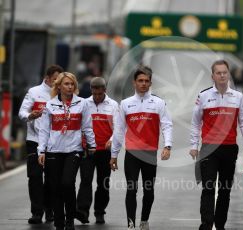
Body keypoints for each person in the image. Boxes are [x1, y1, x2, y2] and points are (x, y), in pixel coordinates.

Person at [189, 60, 243, 230]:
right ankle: (206, 224)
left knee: (224, 190)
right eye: (218, 73)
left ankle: (220, 224)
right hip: (209, 149)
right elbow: (195, 122)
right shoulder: (203, 96)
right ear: (213, 76)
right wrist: (194, 145)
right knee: (208, 188)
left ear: (229, 74)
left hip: (229, 148)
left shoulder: (238, 97)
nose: (222, 75)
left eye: (224, 72)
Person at [110, 66, 173, 230]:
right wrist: (114, 155)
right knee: (131, 190)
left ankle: (144, 221)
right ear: (134, 83)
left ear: (150, 83)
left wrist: (167, 146)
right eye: (140, 81)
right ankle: (130, 223)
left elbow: (167, 125)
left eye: (146, 81)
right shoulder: (125, 104)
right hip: (132, 153)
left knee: (149, 191)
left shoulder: (159, 103)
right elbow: (119, 130)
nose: (143, 84)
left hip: (150, 153)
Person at [37, 72, 96, 230]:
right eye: (66, 84)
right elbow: (44, 130)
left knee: (67, 183)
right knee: (55, 187)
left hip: (73, 150)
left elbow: (87, 127)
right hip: (53, 151)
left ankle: (69, 219)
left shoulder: (82, 103)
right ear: (59, 86)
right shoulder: (50, 105)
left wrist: (92, 145)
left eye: (72, 84)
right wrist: (41, 151)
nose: (70, 87)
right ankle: (59, 222)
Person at [18, 64, 64, 224]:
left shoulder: (62, 95)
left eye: (60, 80)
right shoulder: (34, 92)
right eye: (55, 80)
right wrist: (30, 115)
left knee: (52, 179)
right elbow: (21, 113)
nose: (57, 83)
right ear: (47, 78)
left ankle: (49, 209)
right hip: (34, 140)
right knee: (35, 177)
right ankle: (37, 212)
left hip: (53, 143)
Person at [75, 77, 119, 224]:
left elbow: (118, 128)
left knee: (103, 183)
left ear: (105, 91)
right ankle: (82, 212)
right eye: (95, 94)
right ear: (91, 90)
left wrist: (111, 141)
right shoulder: (84, 104)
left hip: (105, 151)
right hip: (88, 150)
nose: (97, 97)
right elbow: (79, 125)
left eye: (100, 94)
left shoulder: (113, 105)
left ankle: (100, 212)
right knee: (85, 181)